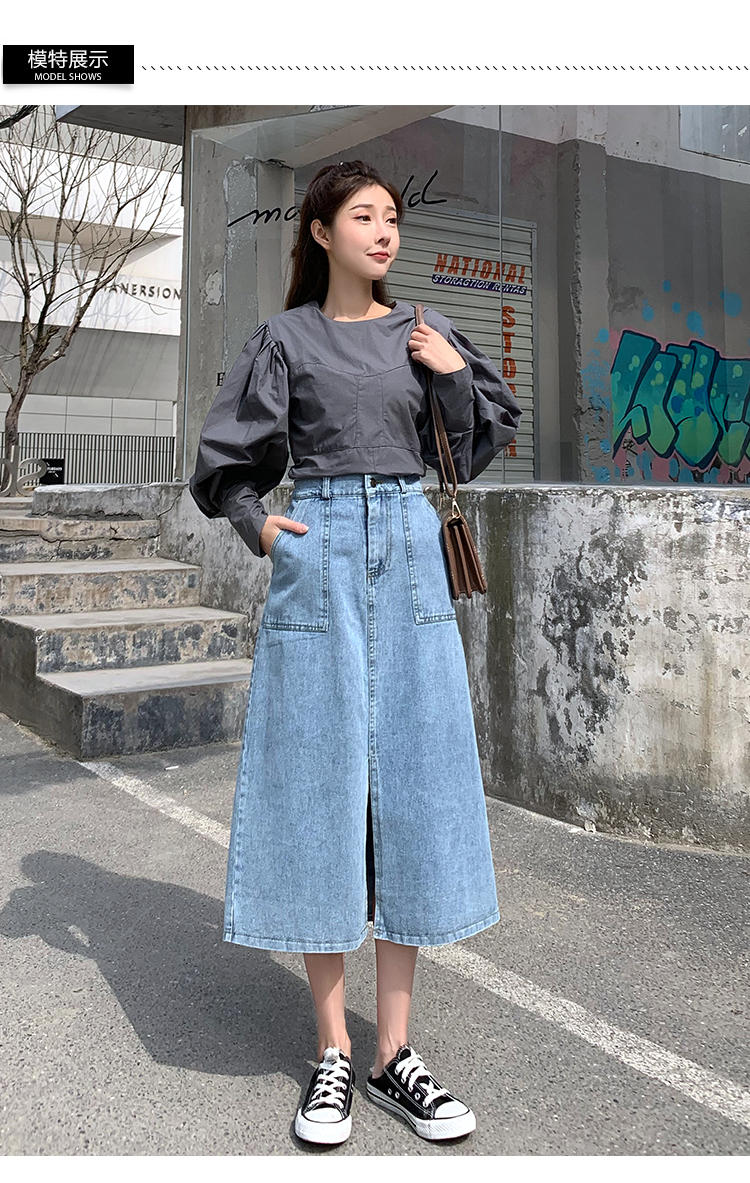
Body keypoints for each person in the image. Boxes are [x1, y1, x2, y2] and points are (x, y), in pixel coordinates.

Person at [189, 159, 522, 1147]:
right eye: (366, 216)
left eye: (393, 219)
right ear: (321, 230)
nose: (385, 232)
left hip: (411, 549)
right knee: (315, 785)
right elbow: (228, 462)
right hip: (320, 548)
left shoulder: (422, 328)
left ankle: (394, 1053)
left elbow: (477, 441)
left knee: (415, 787)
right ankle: (334, 1046)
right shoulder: (283, 339)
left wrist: (450, 374)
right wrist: (259, 526)